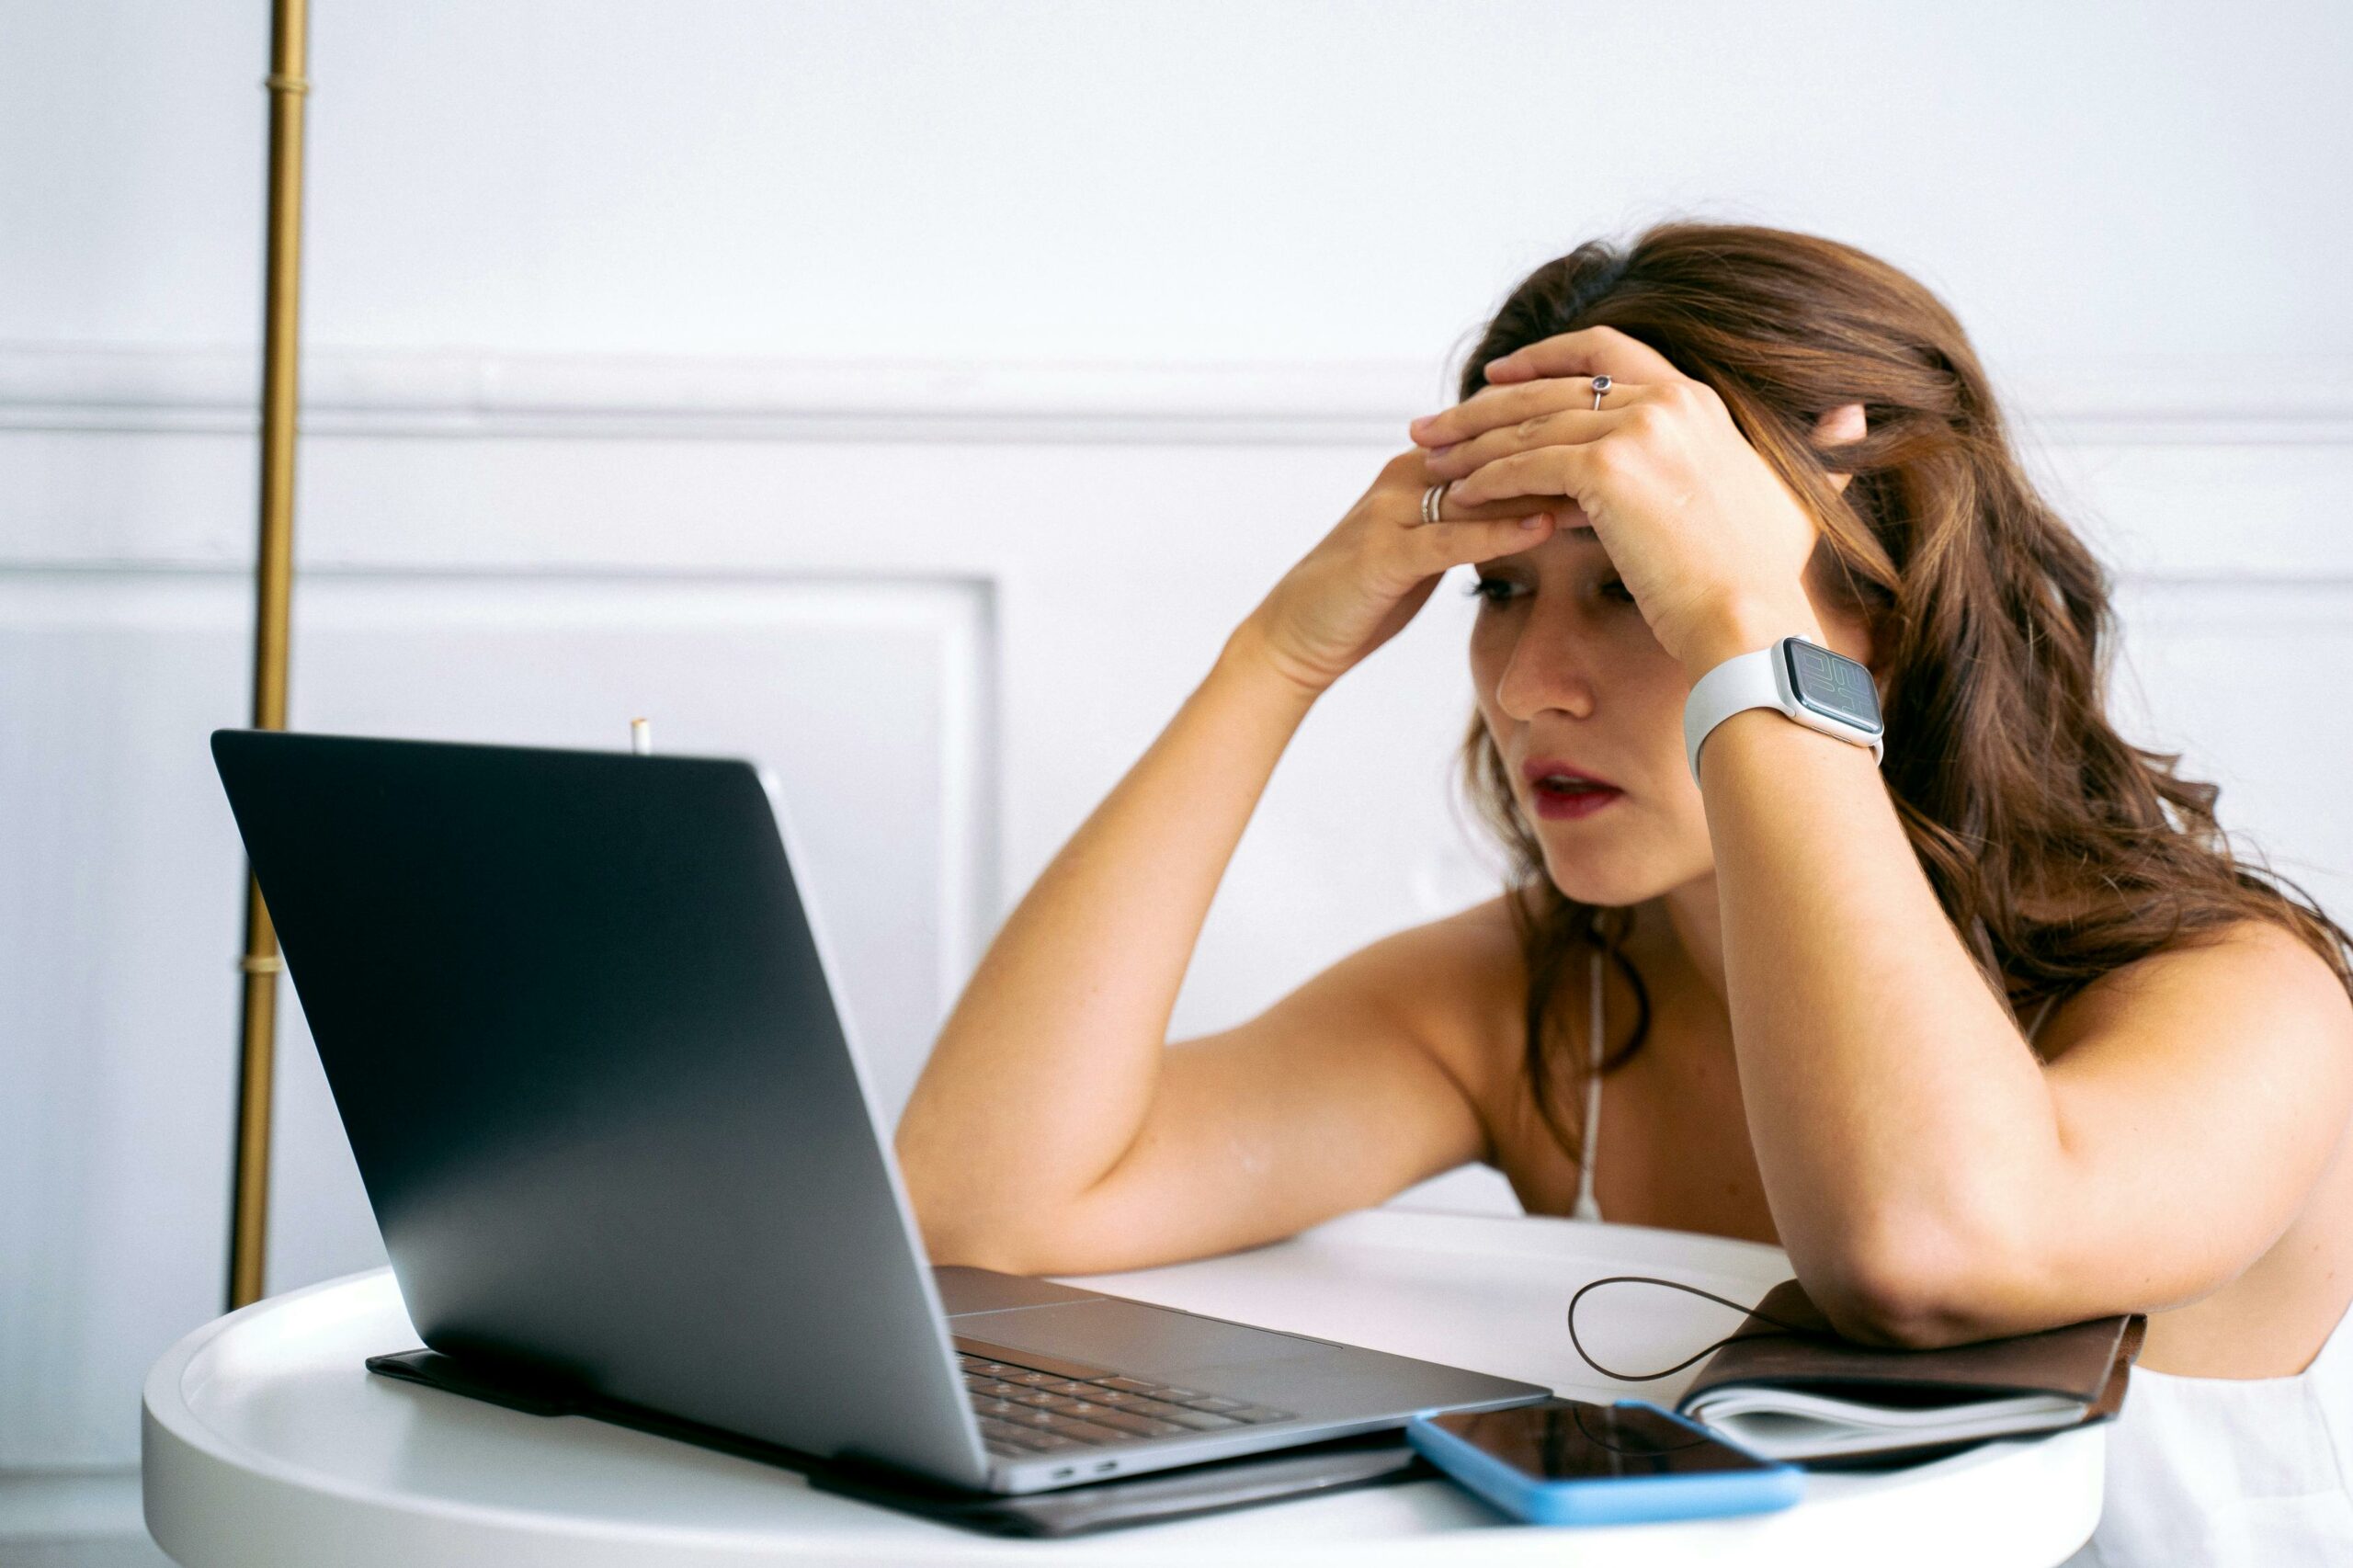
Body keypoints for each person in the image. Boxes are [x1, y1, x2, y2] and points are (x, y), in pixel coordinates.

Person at [893, 221, 2353, 1562]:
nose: (1531, 689)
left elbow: (1930, 1249)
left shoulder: (2241, 1002)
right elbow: (979, 1208)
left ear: (1885, 611)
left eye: (1632, 585)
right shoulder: (1537, 998)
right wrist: (1278, 655)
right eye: (1502, 591)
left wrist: (1743, 625)